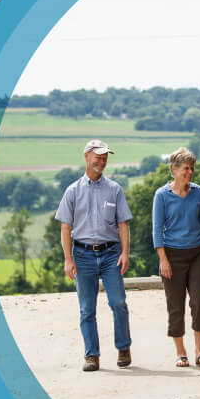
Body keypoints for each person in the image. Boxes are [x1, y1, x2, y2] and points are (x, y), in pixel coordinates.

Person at [55, 139, 133, 372]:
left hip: (111, 254)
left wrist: (125, 253)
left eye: (105, 156)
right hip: (83, 255)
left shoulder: (115, 189)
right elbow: (65, 227)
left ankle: (123, 347)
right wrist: (68, 259)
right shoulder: (73, 191)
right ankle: (92, 355)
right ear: (86, 157)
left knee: (118, 302)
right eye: (98, 156)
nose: (102, 160)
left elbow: (123, 224)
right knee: (86, 309)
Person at [152, 147, 200, 368]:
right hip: (172, 255)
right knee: (175, 304)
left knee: (199, 300)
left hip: (198, 253)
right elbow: (156, 230)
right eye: (186, 168)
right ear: (174, 170)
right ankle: (181, 352)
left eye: (192, 168)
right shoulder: (162, 195)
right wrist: (163, 259)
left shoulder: (198, 192)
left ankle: (199, 351)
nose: (190, 172)